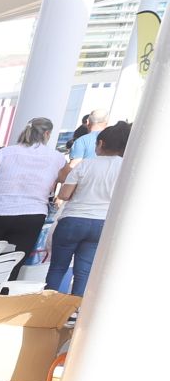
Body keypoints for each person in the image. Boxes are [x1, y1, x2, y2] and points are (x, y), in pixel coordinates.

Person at [0, 116, 70, 265]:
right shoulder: (57, 158)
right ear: (47, 134)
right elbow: (68, 179)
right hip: (31, 216)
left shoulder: (4, 153)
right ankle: (3, 288)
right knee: (11, 265)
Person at [47, 119, 127, 295]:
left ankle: (46, 307)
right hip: (101, 223)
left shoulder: (85, 164)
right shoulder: (125, 168)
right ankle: (75, 310)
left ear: (100, 143)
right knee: (83, 271)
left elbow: (64, 195)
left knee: (58, 268)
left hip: (73, 220)